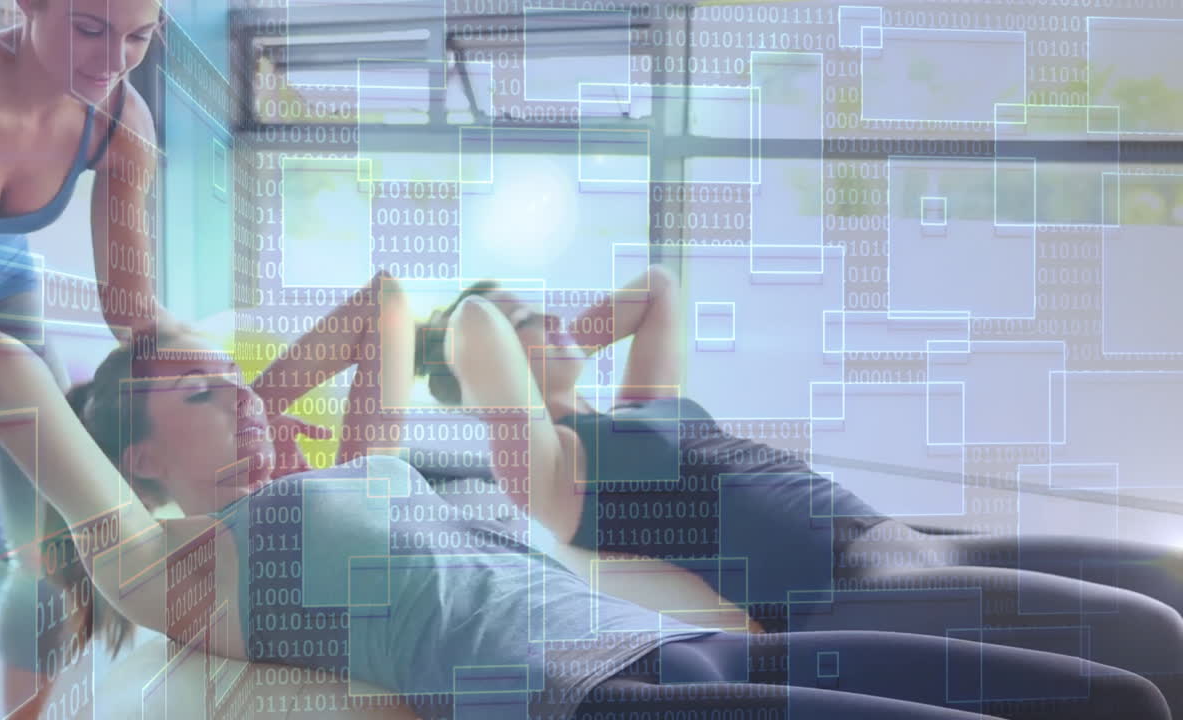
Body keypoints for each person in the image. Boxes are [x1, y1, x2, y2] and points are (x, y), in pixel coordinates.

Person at [0, 282, 1170, 720]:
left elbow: (382, 304)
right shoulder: (176, 570)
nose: (242, 399)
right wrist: (153, 347)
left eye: (238, 386)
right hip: (589, 700)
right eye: (200, 395)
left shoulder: (364, 469)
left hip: (681, 648)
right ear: (137, 452)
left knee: (1118, 688)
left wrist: (255, 408)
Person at [414, 264, 1183, 717]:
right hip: (848, 589)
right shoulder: (550, 471)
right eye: (527, 321)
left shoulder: (642, 406)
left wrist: (558, 335)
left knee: (1166, 586)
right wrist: (467, 326)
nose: (545, 316)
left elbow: (658, 289)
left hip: (910, 540)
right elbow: (475, 323)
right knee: (1146, 648)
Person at [0, 2, 170, 717]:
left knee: (58, 539)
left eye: (139, 38)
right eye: (90, 28)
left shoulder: (121, 122)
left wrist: (229, 392)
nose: (113, 60)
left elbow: (134, 314)